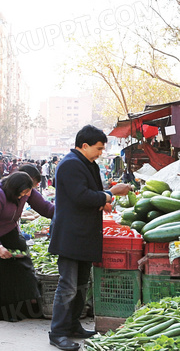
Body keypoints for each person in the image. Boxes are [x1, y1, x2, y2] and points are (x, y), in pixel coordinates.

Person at [48, 125, 132, 351]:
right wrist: (111, 194)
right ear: (84, 146)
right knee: (67, 286)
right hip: (70, 235)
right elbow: (80, 196)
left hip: (84, 234)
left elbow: (91, 193)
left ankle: (73, 324)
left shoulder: (87, 163)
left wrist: (102, 201)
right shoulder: (70, 164)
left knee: (81, 285)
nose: (100, 153)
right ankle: (58, 332)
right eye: (98, 148)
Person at [0, 171, 54, 323]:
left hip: (7, 228)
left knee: (22, 262)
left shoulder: (26, 190)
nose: (26, 195)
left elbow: (45, 207)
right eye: (24, 192)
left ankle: (26, 304)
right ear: (14, 189)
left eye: (29, 191)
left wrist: (66, 214)